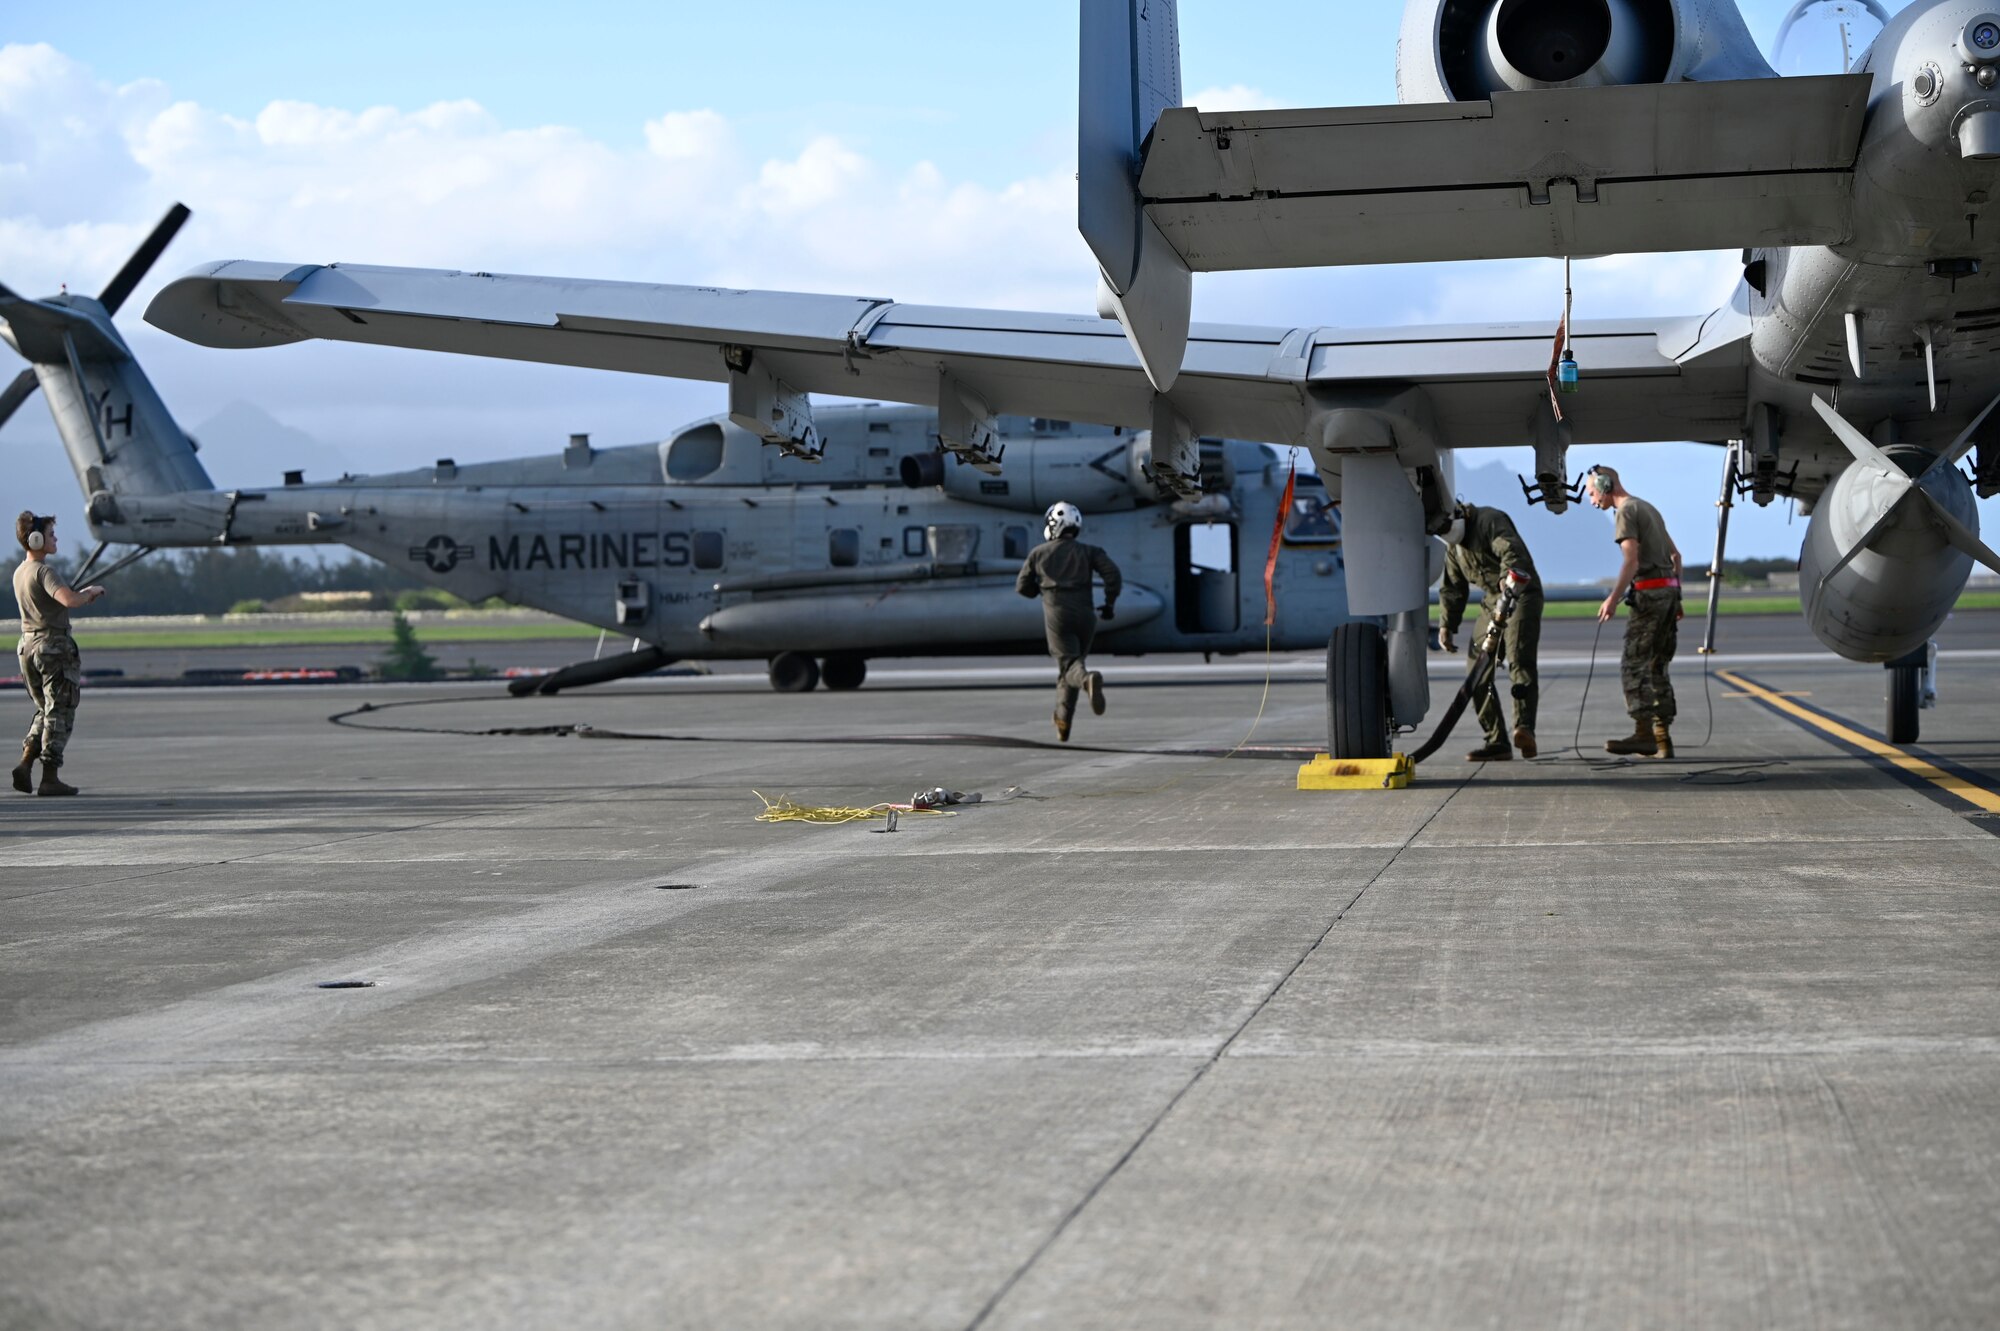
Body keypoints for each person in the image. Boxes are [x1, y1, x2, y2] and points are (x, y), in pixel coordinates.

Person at [1585, 466, 1683, 758]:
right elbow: (1676, 557)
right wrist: (1676, 597)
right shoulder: (1648, 507)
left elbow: (1631, 560)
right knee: (1657, 665)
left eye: (1592, 493)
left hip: (1650, 595)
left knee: (1634, 664)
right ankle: (1662, 737)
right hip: (1667, 594)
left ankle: (1643, 735)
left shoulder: (1625, 511)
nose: (1592, 501)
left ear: (1605, 485)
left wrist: (1613, 599)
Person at [1435, 500, 1542, 760]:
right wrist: (1447, 625)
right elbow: (1453, 587)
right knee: (1477, 669)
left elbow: (1512, 553)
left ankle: (1524, 728)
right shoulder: (1454, 548)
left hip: (1520, 593)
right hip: (1492, 600)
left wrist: (1508, 579)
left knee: (1519, 659)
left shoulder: (1489, 521)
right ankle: (1496, 741)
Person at [12, 514, 105, 797]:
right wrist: (89, 592)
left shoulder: (19, 572)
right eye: (51, 534)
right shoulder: (43, 571)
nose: (55, 539)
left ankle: (26, 763)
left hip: (27, 646)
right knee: (60, 711)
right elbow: (68, 600)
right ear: (36, 539)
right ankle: (50, 776)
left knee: (45, 708)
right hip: (52, 647)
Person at [1016, 501, 1121, 742]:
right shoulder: (1090, 551)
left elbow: (1022, 587)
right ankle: (1063, 723)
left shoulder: (1038, 553)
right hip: (1086, 615)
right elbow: (1113, 575)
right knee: (1071, 666)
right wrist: (1110, 603)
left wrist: (1039, 590)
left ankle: (1087, 680)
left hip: (1058, 614)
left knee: (1071, 667)